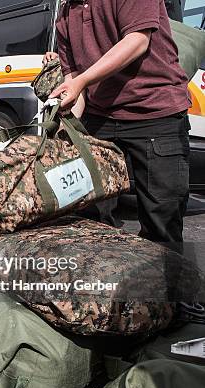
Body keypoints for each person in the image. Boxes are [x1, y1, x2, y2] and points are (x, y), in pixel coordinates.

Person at [50, 0, 191, 252]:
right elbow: (74, 83)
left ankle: (167, 290)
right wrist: (65, 130)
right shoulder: (64, 16)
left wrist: (81, 81)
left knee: (161, 226)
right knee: (89, 217)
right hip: (100, 117)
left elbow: (137, 40)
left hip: (155, 114)